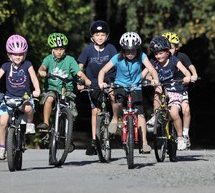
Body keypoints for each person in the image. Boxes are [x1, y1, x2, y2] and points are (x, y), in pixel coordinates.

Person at [98, 31, 159, 154]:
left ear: (137, 49)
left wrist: (155, 79)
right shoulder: (118, 57)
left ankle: (145, 143)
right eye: (127, 51)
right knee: (118, 103)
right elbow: (103, 70)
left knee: (140, 113)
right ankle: (115, 119)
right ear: (123, 50)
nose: (130, 54)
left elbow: (151, 69)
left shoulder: (141, 56)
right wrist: (101, 83)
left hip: (136, 87)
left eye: (133, 51)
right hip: (120, 85)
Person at [0, 34, 41, 160]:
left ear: (25, 54)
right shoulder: (5, 66)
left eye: (21, 54)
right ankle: (1, 147)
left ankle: (30, 123)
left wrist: (37, 89)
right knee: (3, 121)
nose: (18, 57)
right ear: (9, 55)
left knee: (28, 109)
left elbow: (33, 77)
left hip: (24, 98)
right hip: (8, 99)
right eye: (15, 54)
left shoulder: (27, 64)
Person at [37, 33, 91, 143]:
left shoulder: (70, 60)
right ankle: (46, 123)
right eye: (56, 49)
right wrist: (42, 71)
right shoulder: (48, 59)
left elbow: (79, 72)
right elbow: (43, 67)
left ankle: (68, 136)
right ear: (52, 49)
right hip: (52, 89)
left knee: (71, 112)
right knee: (49, 99)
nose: (59, 52)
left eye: (61, 49)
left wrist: (86, 80)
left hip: (67, 91)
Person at [142, 36, 191, 150]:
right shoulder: (153, 63)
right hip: (162, 88)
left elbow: (184, 70)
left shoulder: (174, 60)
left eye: (161, 53)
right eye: (156, 54)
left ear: (168, 52)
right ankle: (156, 115)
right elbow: (143, 74)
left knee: (174, 113)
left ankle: (180, 137)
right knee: (157, 90)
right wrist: (148, 79)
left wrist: (188, 77)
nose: (158, 56)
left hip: (175, 89)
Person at [77, 20, 118, 155]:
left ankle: (115, 119)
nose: (100, 37)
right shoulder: (87, 50)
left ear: (107, 36)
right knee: (95, 111)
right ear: (92, 36)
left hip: (109, 79)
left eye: (102, 34)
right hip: (93, 83)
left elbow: (118, 64)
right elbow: (80, 68)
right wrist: (80, 80)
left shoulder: (111, 48)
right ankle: (94, 140)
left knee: (112, 94)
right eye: (97, 34)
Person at [162, 32, 198, 148]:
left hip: (181, 88)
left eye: (171, 48)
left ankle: (185, 133)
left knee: (186, 110)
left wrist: (194, 75)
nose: (169, 51)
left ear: (176, 47)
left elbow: (190, 66)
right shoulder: (161, 58)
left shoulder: (181, 57)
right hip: (167, 89)